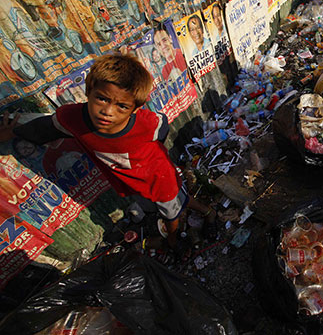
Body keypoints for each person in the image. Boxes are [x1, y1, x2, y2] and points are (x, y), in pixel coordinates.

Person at [0, 54, 216, 256]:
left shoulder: (144, 124)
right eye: (102, 99)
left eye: (121, 106)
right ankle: (198, 215)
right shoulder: (73, 117)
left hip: (159, 177)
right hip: (127, 180)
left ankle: (174, 238)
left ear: (134, 109)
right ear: (89, 92)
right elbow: (46, 127)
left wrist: (150, 157)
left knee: (171, 210)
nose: (108, 111)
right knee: (166, 203)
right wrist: (13, 130)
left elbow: (163, 126)